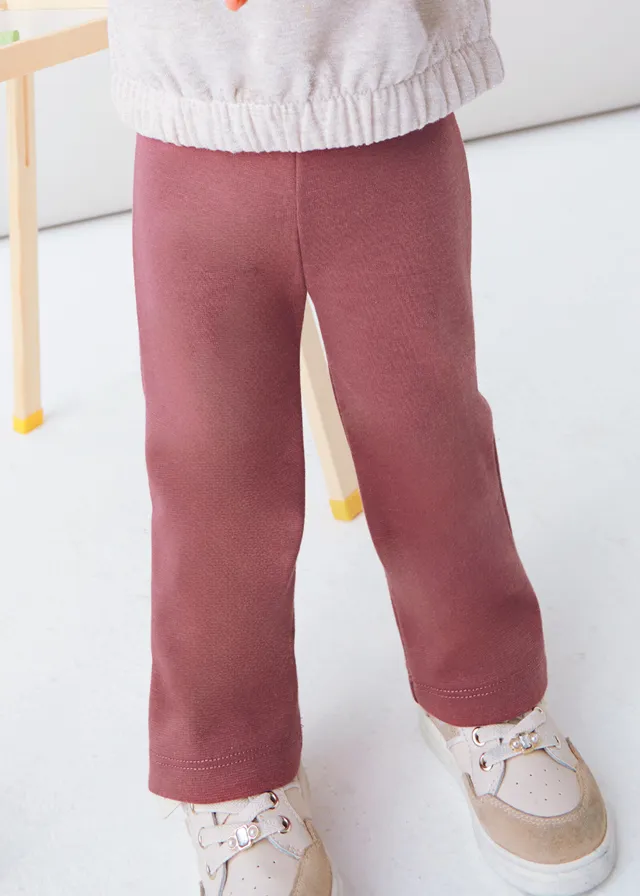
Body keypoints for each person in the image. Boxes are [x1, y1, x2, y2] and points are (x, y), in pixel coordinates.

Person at [108, 1, 616, 894]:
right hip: (194, 107)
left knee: (429, 431)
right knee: (208, 468)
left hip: (385, 91)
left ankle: (485, 693)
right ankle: (231, 763)